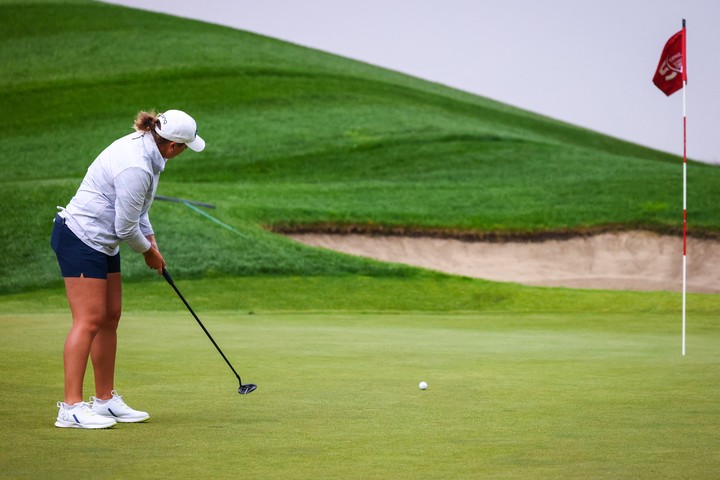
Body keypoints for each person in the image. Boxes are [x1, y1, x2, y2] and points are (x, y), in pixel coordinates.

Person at [51, 109, 205, 429]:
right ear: (175, 145)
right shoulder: (136, 164)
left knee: (110, 315)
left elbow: (137, 210)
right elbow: (124, 227)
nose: (185, 152)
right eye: (186, 147)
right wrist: (148, 253)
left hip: (102, 241)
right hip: (81, 237)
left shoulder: (149, 152)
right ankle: (70, 407)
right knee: (90, 319)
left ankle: (105, 400)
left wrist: (152, 241)